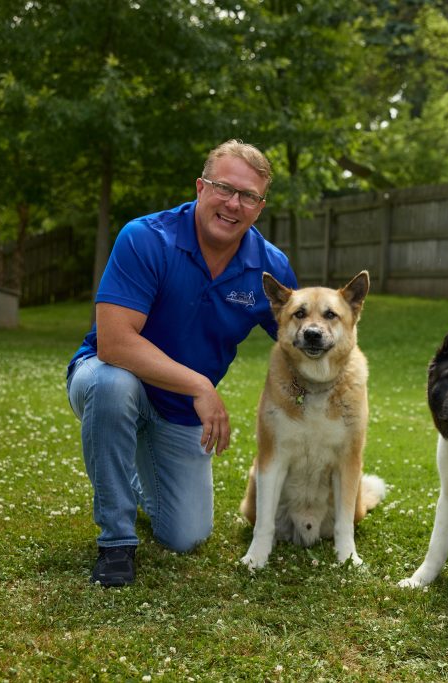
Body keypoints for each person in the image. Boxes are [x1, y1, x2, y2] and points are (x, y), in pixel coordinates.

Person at [66, 139, 297, 587]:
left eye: (248, 196)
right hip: (109, 378)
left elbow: (298, 340)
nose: (233, 204)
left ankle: (129, 467)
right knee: (114, 386)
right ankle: (116, 542)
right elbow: (114, 343)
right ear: (200, 186)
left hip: (177, 413)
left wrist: (331, 388)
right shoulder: (145, 238)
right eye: (224, 188)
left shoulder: (270, 267)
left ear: (260, 207)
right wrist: (200, 387)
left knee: (187, 536)